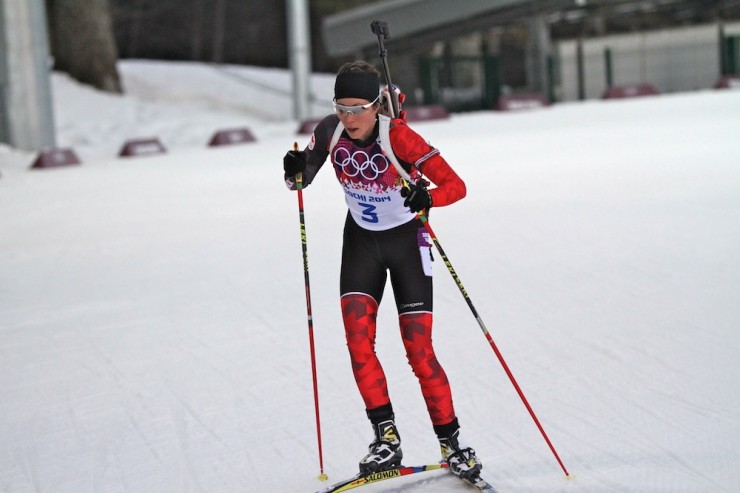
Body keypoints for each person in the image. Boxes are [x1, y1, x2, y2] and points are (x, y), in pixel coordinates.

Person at [282, 61, 482, 480]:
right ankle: (385, 438)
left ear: (377, 106)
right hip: (361, 244)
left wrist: (427, 200)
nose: (349, 118)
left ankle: (452, 444)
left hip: (408, 244)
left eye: (358, 108)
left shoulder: (400, 137)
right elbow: (304, 178)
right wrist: (294, 173)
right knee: (358, 343)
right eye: (341, 107)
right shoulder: (329, 132)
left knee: (418, 350)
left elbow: (456, 186)